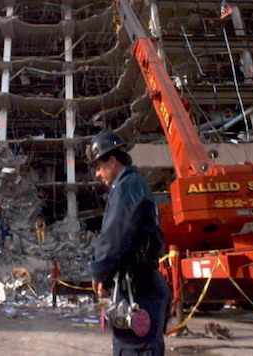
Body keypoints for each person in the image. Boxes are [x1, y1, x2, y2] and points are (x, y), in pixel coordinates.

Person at [87, 131, 171, 356]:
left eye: (98, 166)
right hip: (144, 286)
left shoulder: (126, 188)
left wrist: (99, 272)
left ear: (113, 161)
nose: (97, 174)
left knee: (135, 349)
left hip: (138, 291)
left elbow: (114, 238)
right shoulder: (135, 185)